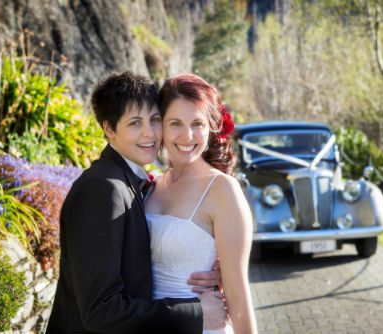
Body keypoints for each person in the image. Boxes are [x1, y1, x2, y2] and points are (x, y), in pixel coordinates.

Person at [46, 71, 227, 333]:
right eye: (134, 123)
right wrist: (196, 312)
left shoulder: (132, 182)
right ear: (109, 129)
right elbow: (101, 310)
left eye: (154, 120)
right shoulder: (102, 189)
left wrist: (206, 261)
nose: (149, 134)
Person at [144, 74, 258, 334]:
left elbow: (238, 296)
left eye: (197, 123)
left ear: (211, 128)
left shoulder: (222, 190)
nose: (187, 136)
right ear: (160, 125)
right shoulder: (150, 187)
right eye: (175, 123)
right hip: (154, 324)